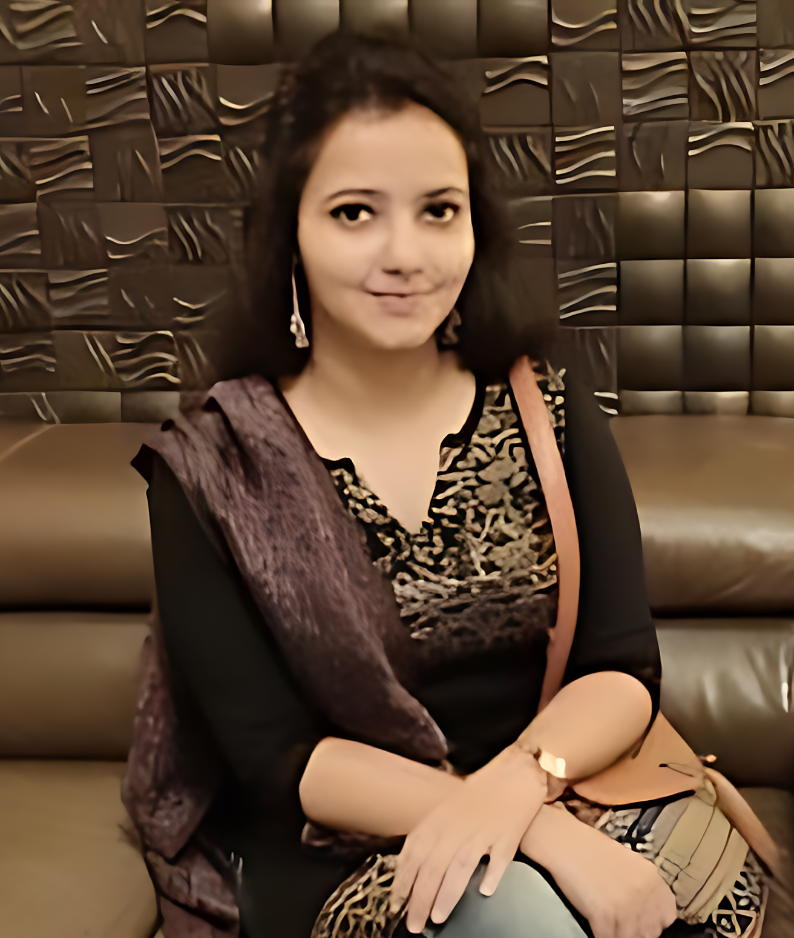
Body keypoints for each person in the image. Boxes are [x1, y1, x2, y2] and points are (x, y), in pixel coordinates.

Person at [128, 31, 742, 938]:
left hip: (567, 787)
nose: (404, 254)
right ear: (288, 233)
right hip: (345, 847)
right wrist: (537, 838)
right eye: (354, 213)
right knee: (518, 917)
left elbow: (621, 665)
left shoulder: (546, 409)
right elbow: (280, 757)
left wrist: (519, 790)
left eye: (438, 210)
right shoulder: (213, 469)